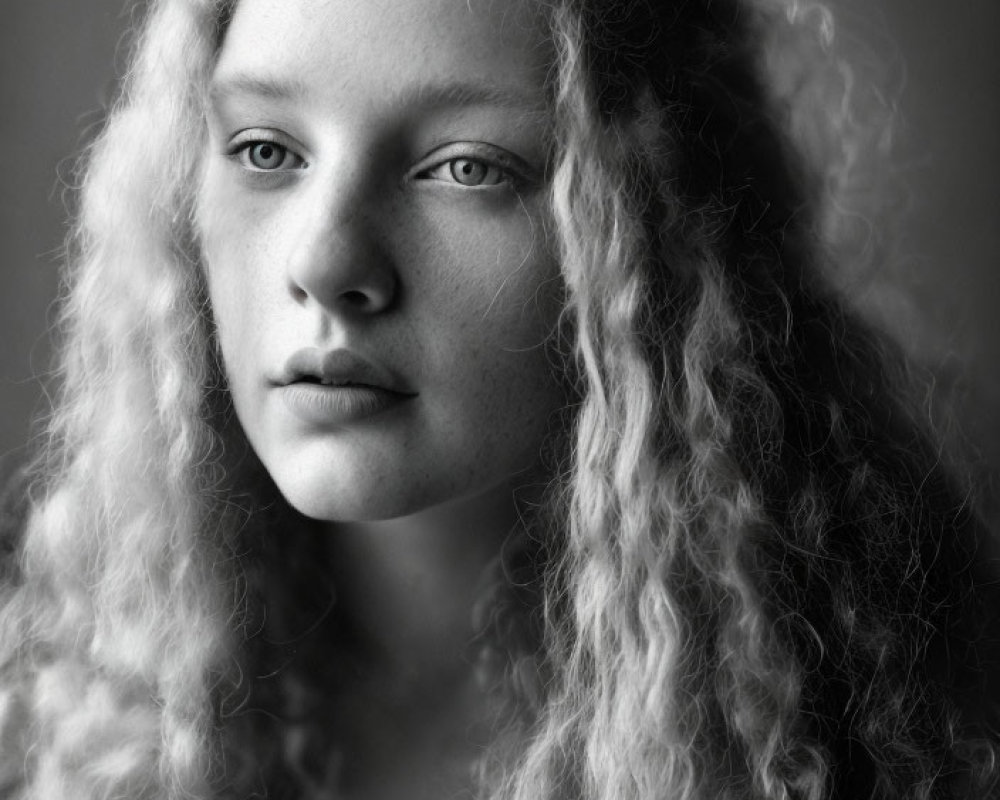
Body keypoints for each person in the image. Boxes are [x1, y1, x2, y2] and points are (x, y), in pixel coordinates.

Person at [0, 0, 997, 798]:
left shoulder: (894, 724)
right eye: (267, 149)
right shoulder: (37, 697)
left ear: (650, 233)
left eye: (466, 168)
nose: (326, 260)